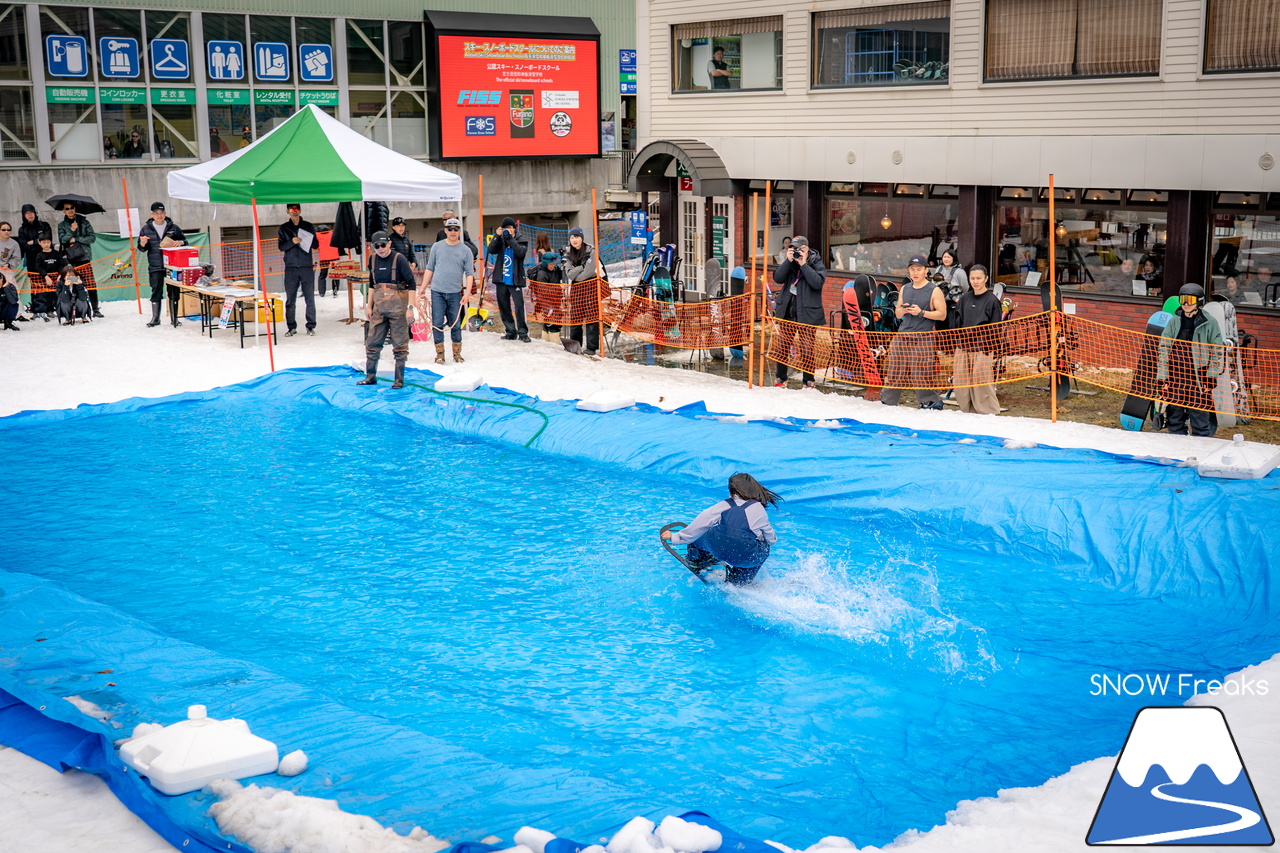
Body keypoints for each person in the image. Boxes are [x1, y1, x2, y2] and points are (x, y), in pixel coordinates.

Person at [661, 473, 781, 585]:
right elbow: (770, 536)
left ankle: (698, 560)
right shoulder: (759, 509)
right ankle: (740, 581)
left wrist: (675, 537)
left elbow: (700, 523)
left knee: (703, 534)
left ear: (733, 491)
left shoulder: (724, 505)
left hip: (717, 548)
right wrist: (770, 541)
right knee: (764, 548)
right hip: (747, 558)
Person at [881, 254, 948, 409]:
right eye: (912, 269)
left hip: (923, 336)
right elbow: (897, 313)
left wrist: (921, 312)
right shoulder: (905, 288)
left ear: (926, 270)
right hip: (903, 334)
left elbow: (942, 314)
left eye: (919, 269)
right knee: (895, 370)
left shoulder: (934, 290)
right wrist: (903, 310)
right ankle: (888, 402)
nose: (915, 272)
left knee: (922, 372)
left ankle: (929, 403)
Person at [1156, 283, 1223, 437]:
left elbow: (1217, 350)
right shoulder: (1174, 321)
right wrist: (1163, 376)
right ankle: (1178, 446)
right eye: (1183, 299)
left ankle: (1200, 447)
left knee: (1199, 417)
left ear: (1198, 301)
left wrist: (1211, 376)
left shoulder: (1209, 322)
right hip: (1176, 376)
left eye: (1190, 300)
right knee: (1174, 417)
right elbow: (1164, 348)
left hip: (1198, 377)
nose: (1185, 304)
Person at [358, 231, 418, 388]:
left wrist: (410, 308)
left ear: (389, 244)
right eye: (376, 246)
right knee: (372, 343)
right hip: (379, 309)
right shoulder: (372, 259)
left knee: (400, 346)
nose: (380, 249)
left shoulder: (399, 259)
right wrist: (368, 306)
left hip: (398, 309)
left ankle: (399, 380)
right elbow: (371, 285)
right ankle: (370, 376)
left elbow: (412, 284)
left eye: (383, 245)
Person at [770, 234, 827, 388]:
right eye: (793, 248)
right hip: (788, 311)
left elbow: (817, 283)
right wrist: (788, 261)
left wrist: (804, 264)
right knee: (783, 347)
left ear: (806, 249)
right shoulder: (789, 263)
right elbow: (778, 278)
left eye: (799, 249)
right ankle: (780, 379)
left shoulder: (816, 262)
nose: (796, 252)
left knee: (807, 348)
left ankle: (808, 381)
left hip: (807, 313)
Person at [418, 218, 476, 365]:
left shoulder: (466, 250)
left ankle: (457, 353)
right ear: (445, 230)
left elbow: (469, 274)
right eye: (450, 229)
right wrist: (423, 287)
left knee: (455, 324)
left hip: (455, 293)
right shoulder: (437, 247)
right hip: (437, 291)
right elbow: (430, 268)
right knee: (437, 323)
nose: (452, 232)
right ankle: (439, 354)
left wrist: (467, 292)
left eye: (455, 229)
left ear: (459, 231)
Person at [953, 264, 1003, 415]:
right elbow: (957, 322)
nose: (975, 281)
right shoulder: (964, 299)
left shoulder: (992, 301)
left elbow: (995, 327)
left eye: (979, 278)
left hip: (983, 348)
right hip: (963, 346)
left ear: (986, 279)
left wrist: (989, 348)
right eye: (972, 278)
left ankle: (987, 412)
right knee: (961, 382)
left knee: (981, 383)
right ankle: (966, 410)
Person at [137, 202, 186, 328]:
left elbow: (185, 241)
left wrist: (180, 242)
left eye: (162, 213)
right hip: (155, 265)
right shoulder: (146, 229)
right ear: (152, 214)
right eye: (156, 213)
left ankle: (174, 318)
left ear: (165, 214)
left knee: (174, 291)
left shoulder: (173, 227)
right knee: (156, 291)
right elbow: (142, 249)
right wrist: (142, 243)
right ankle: (155, 318)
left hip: (172, 265)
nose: (159, 216)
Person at [488, 217, 530, 342]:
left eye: (510, 228)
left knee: (519, 306)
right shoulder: (500, 240)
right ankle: (510, 331)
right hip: (501, 279)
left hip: (515, 279)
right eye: (506, 228)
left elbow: (520, 253)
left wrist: (510, 239)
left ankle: (523, 332)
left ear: (514, 229)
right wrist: (497, 236)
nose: (508, 230)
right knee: (504, 306)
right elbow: (491, 250)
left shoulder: (521, 240)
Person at [278, 203, 317, 337]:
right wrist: (292, 242)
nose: (294, 212)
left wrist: (308, 240)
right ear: (287, 212)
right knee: (290, 300)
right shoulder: (284, 228)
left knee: (310, 298)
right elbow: (281, 247)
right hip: (291, 267)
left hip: (306, 266)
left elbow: (316, 245)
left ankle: (311, 325)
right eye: (291, 210)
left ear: (300, 211)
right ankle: (291, 326)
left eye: (296, 210)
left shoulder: (308, 226)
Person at [57, 201, 100, 317]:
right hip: (71, 261)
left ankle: (95, 309)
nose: (70, 210)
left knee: (91, 284)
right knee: (73, 284)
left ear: (75, 209)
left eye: (71, 208)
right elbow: (62, 240)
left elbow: (92, 238)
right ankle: (74, 310)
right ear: (63, 211)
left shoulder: (84, 222)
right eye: (67, 208)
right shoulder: (61, 225)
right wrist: (71, 230)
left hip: (84, 258)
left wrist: (76, 238)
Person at [563, 226, 600, 356]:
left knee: (591, 317)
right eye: (572, 237)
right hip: (576, 288)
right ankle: (575, 344)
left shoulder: (591, 251)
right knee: (576, 316)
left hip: (591, 286)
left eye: (577, 237)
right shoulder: (568, 252)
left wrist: (576, 272)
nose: (574, 240)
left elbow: (589, 272)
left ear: (582, 238)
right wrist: (580, 268)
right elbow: (569, 273)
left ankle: (591, 347)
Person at [29, 235, 67, 321]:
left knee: (55, 295)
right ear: (40, 243)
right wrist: (45, 276)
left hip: (56, 279)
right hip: (44, 280)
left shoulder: (56, 254)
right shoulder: (39, 255)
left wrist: (61, 274)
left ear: (51, 243)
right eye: (44, 242)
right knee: (42, 295)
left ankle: (52, 310)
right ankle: (41, 311)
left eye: (48, 242)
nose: (46, 244)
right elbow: (39, 268)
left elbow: (61, 265)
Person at [528, 249, 565, 334]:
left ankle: (548, 341)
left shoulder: (555, 269)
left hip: (556, 300)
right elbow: (543, 290)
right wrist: (560, 288)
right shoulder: (542, 274)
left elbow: (561, 276)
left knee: (554, 322)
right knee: (552, 323)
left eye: (555, 263)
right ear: (546, 263)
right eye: (551, 264)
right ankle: (551, 342)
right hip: (546, 302)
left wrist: (564, 269)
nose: (554, 265)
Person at [17, 204, 51, 284]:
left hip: (46, 258)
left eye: (31, 212)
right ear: (24, 215)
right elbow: (24, 247)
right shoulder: (22, 229)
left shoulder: (43, 225)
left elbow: (48, 240)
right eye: (27, 213)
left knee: (49, 283)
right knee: (35, 285)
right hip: (32, 260)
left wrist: (33, 242)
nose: (30, 215)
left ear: (35, 213)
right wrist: (39, 243)